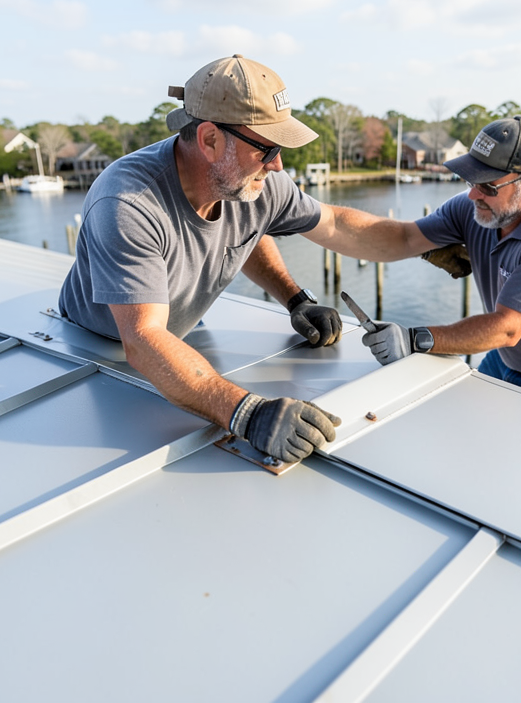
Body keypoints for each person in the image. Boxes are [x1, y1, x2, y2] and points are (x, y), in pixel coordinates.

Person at [58, 54, 348, 464]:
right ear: (210, 139)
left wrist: (296, 299)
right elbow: (141, 340)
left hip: (175, 336)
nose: (278, 163)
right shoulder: (127, 202)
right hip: (102, 348)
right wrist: (248, 414)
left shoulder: (239, 179)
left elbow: (255, 230)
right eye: (267, 148)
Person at [359, 116, 521, 412]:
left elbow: (506, 329)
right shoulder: (474, 207)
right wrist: (309, 217)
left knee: (519, 458)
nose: (473, 194)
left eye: (488, 186)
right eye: (471, 179)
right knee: (463, 426)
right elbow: (405, 238)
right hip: (507, 357)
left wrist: (415, 339)